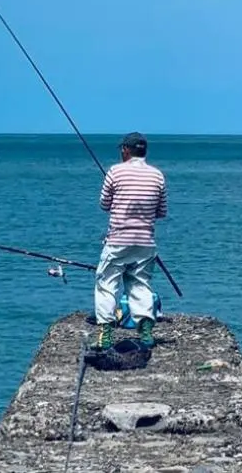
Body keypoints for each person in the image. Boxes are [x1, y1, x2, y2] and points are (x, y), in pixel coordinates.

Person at [94, 131, 167, 350]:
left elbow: (104, 204)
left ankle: (105, 333)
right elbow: (161, 211)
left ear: (126, 150)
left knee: (106, 283)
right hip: (145, 241)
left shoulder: (115, 172)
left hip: (118, 239)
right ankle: (145, 331)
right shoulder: (157, 175)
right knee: (140, 284)